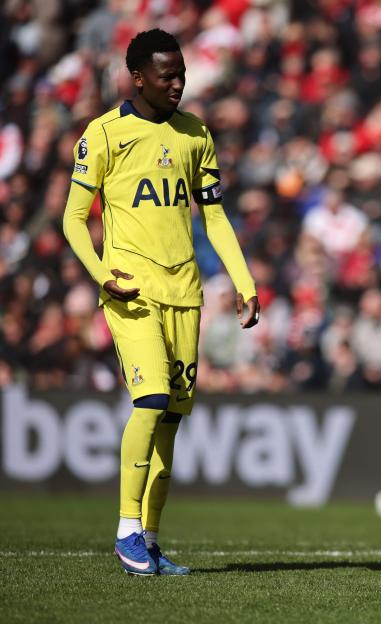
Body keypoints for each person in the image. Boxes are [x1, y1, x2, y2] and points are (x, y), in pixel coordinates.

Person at [62, 29, 260, 576]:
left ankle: (149, 539)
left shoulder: (196, 134)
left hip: (185, 294)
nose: (178, 83)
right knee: (150, 400)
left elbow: (214, 217)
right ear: (138, 77)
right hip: (130, 291)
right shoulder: (103, 134)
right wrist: (104, 276)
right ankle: (126, 528)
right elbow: (73, 220)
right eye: (167, 74)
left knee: (170, 419)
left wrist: (244, 281)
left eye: (182, 73)